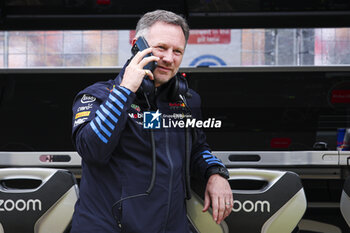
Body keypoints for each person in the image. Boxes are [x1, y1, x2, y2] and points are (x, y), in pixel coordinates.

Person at [70, 9, 233, 233]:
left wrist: (215, 173)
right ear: (137, 44)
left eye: (177, 51)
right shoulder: (97, 95)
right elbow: (91, 149)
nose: (169, 58)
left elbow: (197, 149)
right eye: (161, 48)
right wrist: (125, 91)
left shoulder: (187, 102)